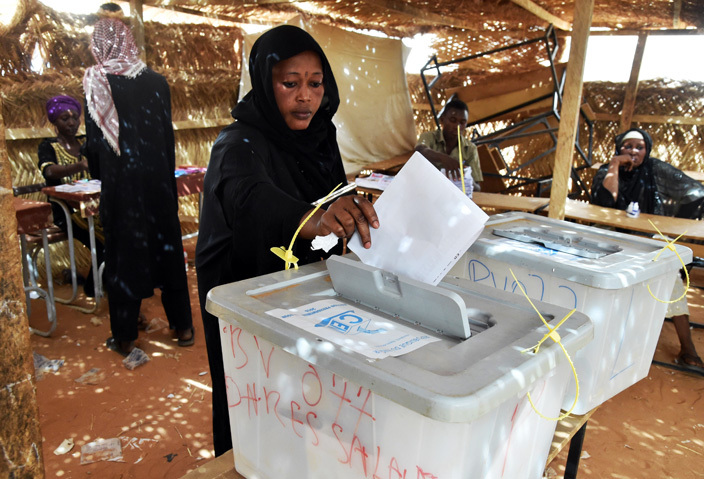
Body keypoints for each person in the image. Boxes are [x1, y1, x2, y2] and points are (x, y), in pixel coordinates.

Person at [195, 25, 379, 456]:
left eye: (315, 84)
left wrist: (352, 210)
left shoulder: (320, 137)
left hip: (301, 279)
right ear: (264, 81)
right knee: (254, 388)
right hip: (244, 280)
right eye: (289, 83)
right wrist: (313, 219)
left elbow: (333, 194)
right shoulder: (236, 144)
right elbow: (249, 198)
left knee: (306, 388)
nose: (305, 97)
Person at [82, 18, 194, 356]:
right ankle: (184, 327)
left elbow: (95, 145)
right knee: (169, 250)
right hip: (159, 183)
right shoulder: (158, 82)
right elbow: (166, 136)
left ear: (98, 45)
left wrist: (106, 182)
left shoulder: (96, 81)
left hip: (122, 188)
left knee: (123, 257)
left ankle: (125, 336)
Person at [591, 127, 704, 376]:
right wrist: (614, 166)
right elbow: (605, 200)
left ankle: (688, 350)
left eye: (639, 147)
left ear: (647, 151)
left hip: (648, 238)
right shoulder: (606, 170)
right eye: (627, 146)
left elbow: (696, 193)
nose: (633, 151)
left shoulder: (655, 169)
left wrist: (672, 226)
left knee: (671, 281)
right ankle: (609, 342)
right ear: (618, 149)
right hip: (612, 238)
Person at [38, 95, 105, 297]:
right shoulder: (48, 146)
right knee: (104, 240)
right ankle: (94, 288)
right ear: (55, 122)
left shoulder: (86, 142)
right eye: (64, 118)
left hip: (94, 206)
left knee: (118, 232)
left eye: (75, 117)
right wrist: (78, 165)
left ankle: (104, 281)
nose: (71, 123)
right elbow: (48, 172)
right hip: (66, 211)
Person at [415, 96, 482, 193]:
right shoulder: (429, 137)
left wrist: (465, 178)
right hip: (426, 192)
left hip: (454, 200)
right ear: (442, 120)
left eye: (462, 122)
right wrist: (443, 158)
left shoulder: (470, 149)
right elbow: (420, 150)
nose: (457, 126)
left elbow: (478, 188)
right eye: (453, 120)